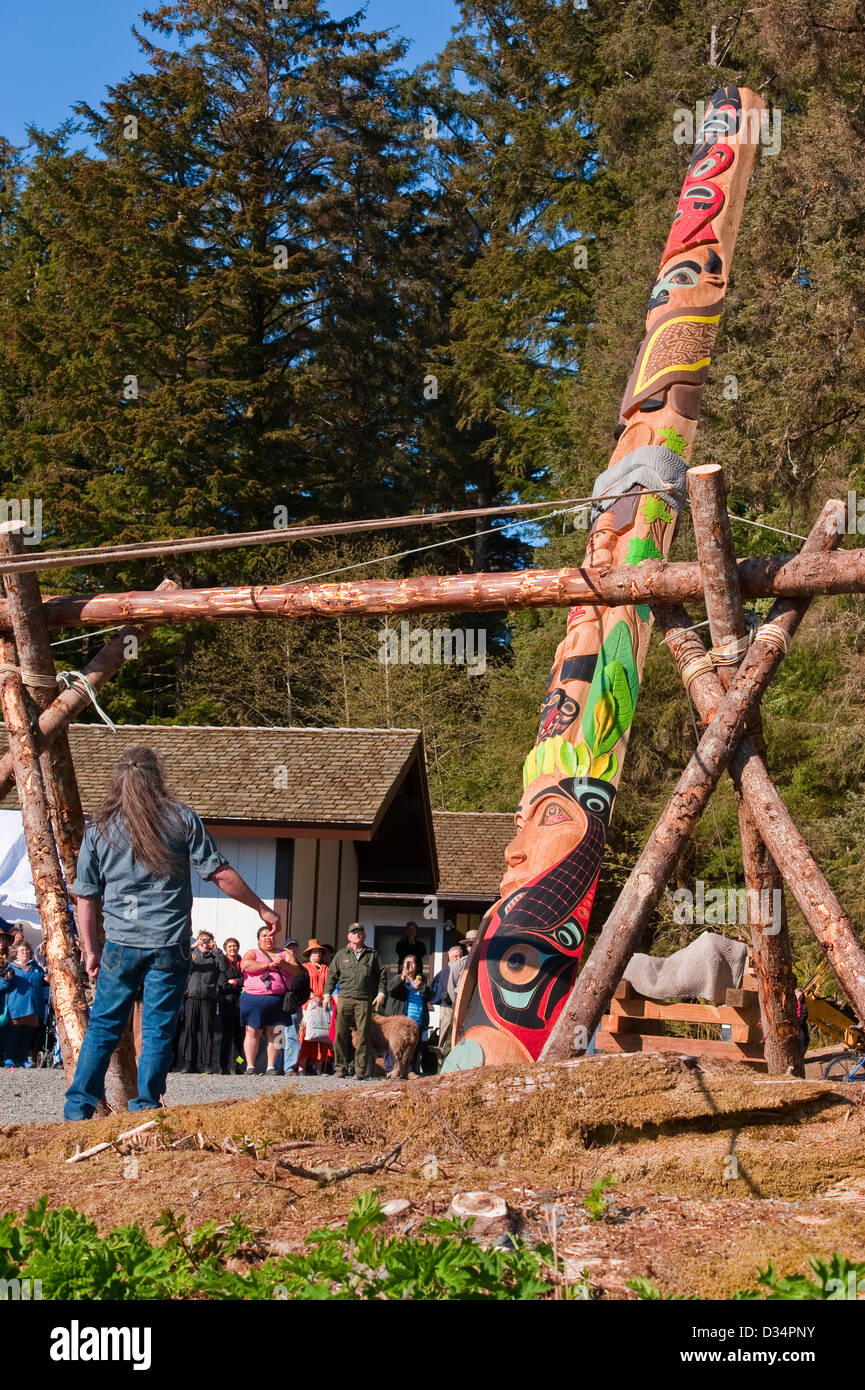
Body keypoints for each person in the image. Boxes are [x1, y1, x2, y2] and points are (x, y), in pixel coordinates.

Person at [63, 745, 282, 1121]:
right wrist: (262, 908)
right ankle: (147, 1106)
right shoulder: (181, 819)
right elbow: (220, 874)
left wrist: (90, 950)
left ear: (119, 780)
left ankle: (77, 1108)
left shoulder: (99, 827)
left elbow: (85, 897)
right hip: (169, 943)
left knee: (102, 1027)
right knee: (158, 1028)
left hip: (120, 944)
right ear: (157, 777)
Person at [324, 924, 386, 1081]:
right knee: (340, 1034)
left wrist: (381, 992)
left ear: (364, 936)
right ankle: (340, 1068)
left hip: (364, 1000)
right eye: (354, 932)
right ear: (349, 937)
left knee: (363, 1036)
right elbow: (332, 975)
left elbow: (382, 975)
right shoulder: (340, 955)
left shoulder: (372, 954)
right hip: (344, 999)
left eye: (360, 932)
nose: (357, 934)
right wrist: (327, 994)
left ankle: (360, 1070)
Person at [239, 925, 302, 1075]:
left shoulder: (284, 954)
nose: (268, 938)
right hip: (254, 998)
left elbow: (296, 971)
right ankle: (250, 1066)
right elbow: (246, 965)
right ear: (259, 939)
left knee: (276, 1033)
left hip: (278, 999)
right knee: (252, 1032)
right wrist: (268, 965)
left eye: (271, 935)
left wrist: (282, 964)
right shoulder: (252, 953)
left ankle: (271, 1066)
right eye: (265, 936)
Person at [176, 930, 223, 1074]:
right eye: (203, 940)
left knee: (206, 1031)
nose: (205, 943)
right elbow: (178, 958)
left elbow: (224, 969)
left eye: (208, 940)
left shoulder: (215, 956)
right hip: (191, 996)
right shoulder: (192, 954)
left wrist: (218, 951)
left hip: (208, 997)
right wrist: (192, 946)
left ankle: (207, 1063)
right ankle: (189, 1063)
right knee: (190, 1029)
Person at [0, 942, 47, 1068]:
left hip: (33, 1005)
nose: (25, 953)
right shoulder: (10, 968)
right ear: (16, 953)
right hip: (16, 1005)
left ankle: (23, 1058)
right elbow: (3, 986)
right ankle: (9, 1057)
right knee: (13, 1033)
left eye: (27, 950)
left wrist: (45, 979)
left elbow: (42, 980)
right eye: (22, 951)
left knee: (28, 1034)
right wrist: (6, 979)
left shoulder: (36, 967)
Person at [386, 955, 430, 1076]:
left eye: (413, 963)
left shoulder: (421, 980)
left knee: (413, 1048)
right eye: (407, 963)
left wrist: (421, 986)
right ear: (402, 966)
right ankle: (392, 1070)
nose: (410, 965)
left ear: (417, 966)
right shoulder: (399, 979)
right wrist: (402, 976)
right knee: (397, 1046)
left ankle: (410, 1070)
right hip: (402, 1021)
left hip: (418, 1020)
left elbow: (430, 996)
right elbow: (390, 989)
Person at [297, 939, 332, 1075]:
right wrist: (312, 996)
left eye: (318, 952)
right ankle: (302, 1066)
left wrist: (324, 998)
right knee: (306, 1035)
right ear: (309, 954)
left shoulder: (326, 968)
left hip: (324, 1004)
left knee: (322, 1034)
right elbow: (301, 984)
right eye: (314, 952)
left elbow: (330, 984)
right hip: (308, 1004)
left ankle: (319, 1067)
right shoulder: (304, 967)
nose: (317, 954)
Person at [217, 938, 245, 1074]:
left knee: (239, 1040)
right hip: (227, 1005)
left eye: (234, 946)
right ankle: (224, 1066)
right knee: (226, 1039)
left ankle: (238, 1065)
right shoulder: (223, 964)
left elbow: (246, 980)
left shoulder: (243, 964)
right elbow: (223, 984)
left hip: (241, 1006)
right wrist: (238, 984)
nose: (232, 948)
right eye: (229, 946)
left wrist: (234, 981)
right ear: (225, 949)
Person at [431, 945, 463, 1059]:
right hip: (447, 1006)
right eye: (456, 956)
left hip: (452, 1006)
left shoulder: (458, 969)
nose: (459, 958)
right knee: (445, 1033)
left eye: (460, 956)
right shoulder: (447, 971)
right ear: (450, 958)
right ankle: (441, 1059)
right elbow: (447, 989)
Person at [447, 929, 478, 1005]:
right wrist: (457, 1004)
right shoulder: (459, 964)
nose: (473, 947)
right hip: (463, 1001)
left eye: (476, 943)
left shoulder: (486, 962)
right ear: (467, 947)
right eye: (470, 945)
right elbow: (450, 987)